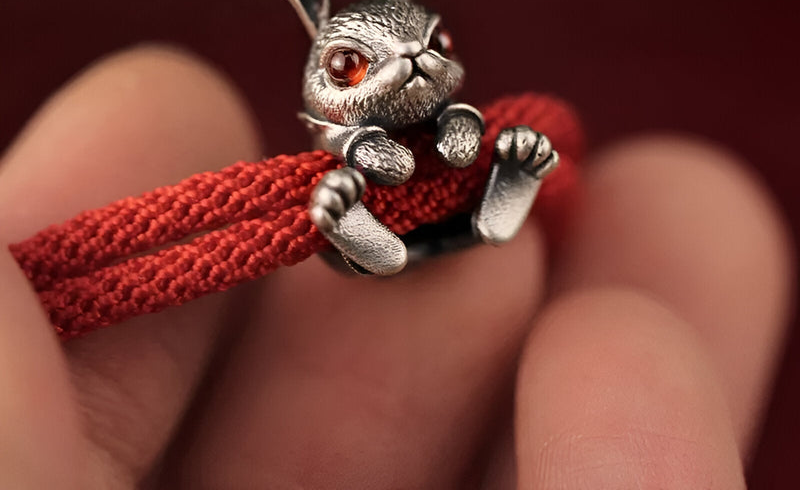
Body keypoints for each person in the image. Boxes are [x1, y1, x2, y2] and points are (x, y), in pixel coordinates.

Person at [0, 45, 792, 489]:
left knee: (503, 223)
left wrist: (471, 152)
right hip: (386, 240)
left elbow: (454, 140)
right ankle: (366, 226)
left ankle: (494, 188)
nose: (410, 72)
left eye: (431, 52)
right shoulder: (348, 153)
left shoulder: (444, 127)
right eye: (356, 67)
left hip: (452, 224)